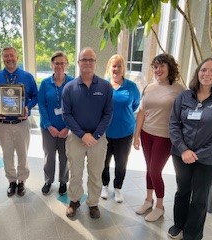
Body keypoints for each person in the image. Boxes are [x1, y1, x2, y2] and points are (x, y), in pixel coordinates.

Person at [62, 47, 113, 219]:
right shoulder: (69, 88)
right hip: (76, 137)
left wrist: (96, 135)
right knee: (75, 172)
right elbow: (66, 114)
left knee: (95, 172)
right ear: (78, 63)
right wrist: (82, 134)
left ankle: (93, 203)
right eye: (84, 59)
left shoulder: (105, 87)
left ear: (95, 63)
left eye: (91, 60)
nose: (88, 63)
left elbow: (108, 114)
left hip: (98, 138)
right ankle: (74, 200)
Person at [133, 53, 185, 222]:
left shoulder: (179, 90)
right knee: (149, 168)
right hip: (147, 134)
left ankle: (160, 207)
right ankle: (148, 200)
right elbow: (142, 112)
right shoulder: (149, 87)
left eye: (162, 65)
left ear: (170, 67)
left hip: (165, 137)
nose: (158, 69)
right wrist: (136, 136)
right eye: (155, 66)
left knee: (155, 170)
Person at [167, 57, 212, 240]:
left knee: (200, 197)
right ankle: (179, 224)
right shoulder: (184, 96)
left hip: (208, 159)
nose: (207, 74)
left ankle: (192, 234)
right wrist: (183, 150)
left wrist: (197, 154)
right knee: (182, 191)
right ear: (197, 72)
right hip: (181, 155)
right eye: (204, 70)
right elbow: (174, 124)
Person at [0, 46, 38, 197]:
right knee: (7, 154)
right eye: (6, 56)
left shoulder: (27, 76)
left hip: (21, 123)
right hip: (3, 124)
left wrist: (27, 107)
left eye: (11, 55)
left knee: (23, 153)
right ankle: (11, 181)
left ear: (17, 57)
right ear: (3, 58)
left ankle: (21, 181)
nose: (9, 58)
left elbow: (35, 96)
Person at [100, 54, 140, 203]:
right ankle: (105, 185)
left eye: (119, 66)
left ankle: (118, 188)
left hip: (125, 133)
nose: (116, 69)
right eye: (113, 66)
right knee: (104, 162)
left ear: (123, 68)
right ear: (109, 68)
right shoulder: (103, 86)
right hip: (105, 133)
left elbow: (135, 104)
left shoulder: (131, 87)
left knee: (121, 163)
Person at [38, 51, 73, 195]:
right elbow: (41, 105)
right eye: (56, 63)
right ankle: (48, 180)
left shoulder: (72, 82)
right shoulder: (45, 83)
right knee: (49, 156)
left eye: (62, 63)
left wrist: (68, 127)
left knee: (65, 156)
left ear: (67, 65)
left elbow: (76, 106)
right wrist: (48, 125)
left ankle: (63, 181)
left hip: (66, 128)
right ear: (52, 65)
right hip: (48, 128)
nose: (59, 66)